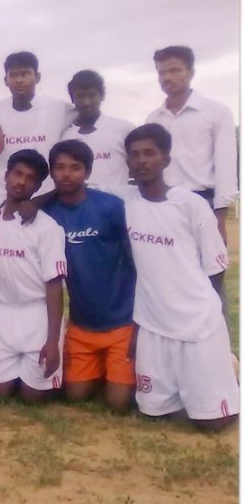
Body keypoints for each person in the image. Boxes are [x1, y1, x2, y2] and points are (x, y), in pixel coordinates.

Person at [116, 123, 238, 430]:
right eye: (134, 155)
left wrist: (212, 320)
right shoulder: (126, 201)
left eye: (149, 153)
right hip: (153, 324)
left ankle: (226, 370)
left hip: (196, 323)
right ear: (127, 162)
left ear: (166, 159)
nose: (141, 160)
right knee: (155, 415)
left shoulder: (191, 205)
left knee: (214, 425)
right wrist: (33, 201)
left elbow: (216, 269)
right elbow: (73, 189)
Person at [43, 140, 136, 413]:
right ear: (51, 172)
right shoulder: (48, 214)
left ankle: (117, 368)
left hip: (121, 322)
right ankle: (100, 368)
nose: (67, 174)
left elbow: (135, 260)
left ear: (88, 171)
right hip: (82, 325)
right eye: (59, 167)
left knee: (118, 404)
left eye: (75, 167)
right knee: (75, 396)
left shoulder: (111, 207)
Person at [0, 149, 66, 403]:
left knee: (33, 398)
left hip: (36, 314)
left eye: (30, 178)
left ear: (39, 185)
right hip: (2, 312)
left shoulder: (49, 228)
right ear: (6, 175)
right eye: (17, 173)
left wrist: (52, 342)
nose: (21, 181)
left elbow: (54, 286)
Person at [146, 46, 237, 243]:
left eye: (175, 70)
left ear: (191, 73)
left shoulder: (216, 112)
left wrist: (220, 219)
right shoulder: (154, 118)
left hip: (201, 201)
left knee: (204, 270)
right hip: (162, 202)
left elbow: (226, 168)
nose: (167, 77)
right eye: (161, 72)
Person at [0, 51, 74, 211]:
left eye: (25, 74)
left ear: (37, 77)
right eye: (14, 75)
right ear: (6, 80)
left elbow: (86, 111)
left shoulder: (58, 109)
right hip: (0, 204)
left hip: (45, 203)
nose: (19, 80)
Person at [60, 70, 133, 186]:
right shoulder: (66, 137)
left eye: (91, 95)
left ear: (102, 95)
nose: (86, 102)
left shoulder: (123, 129)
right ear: (72, 98)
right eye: (80, 96)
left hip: (117, 203)